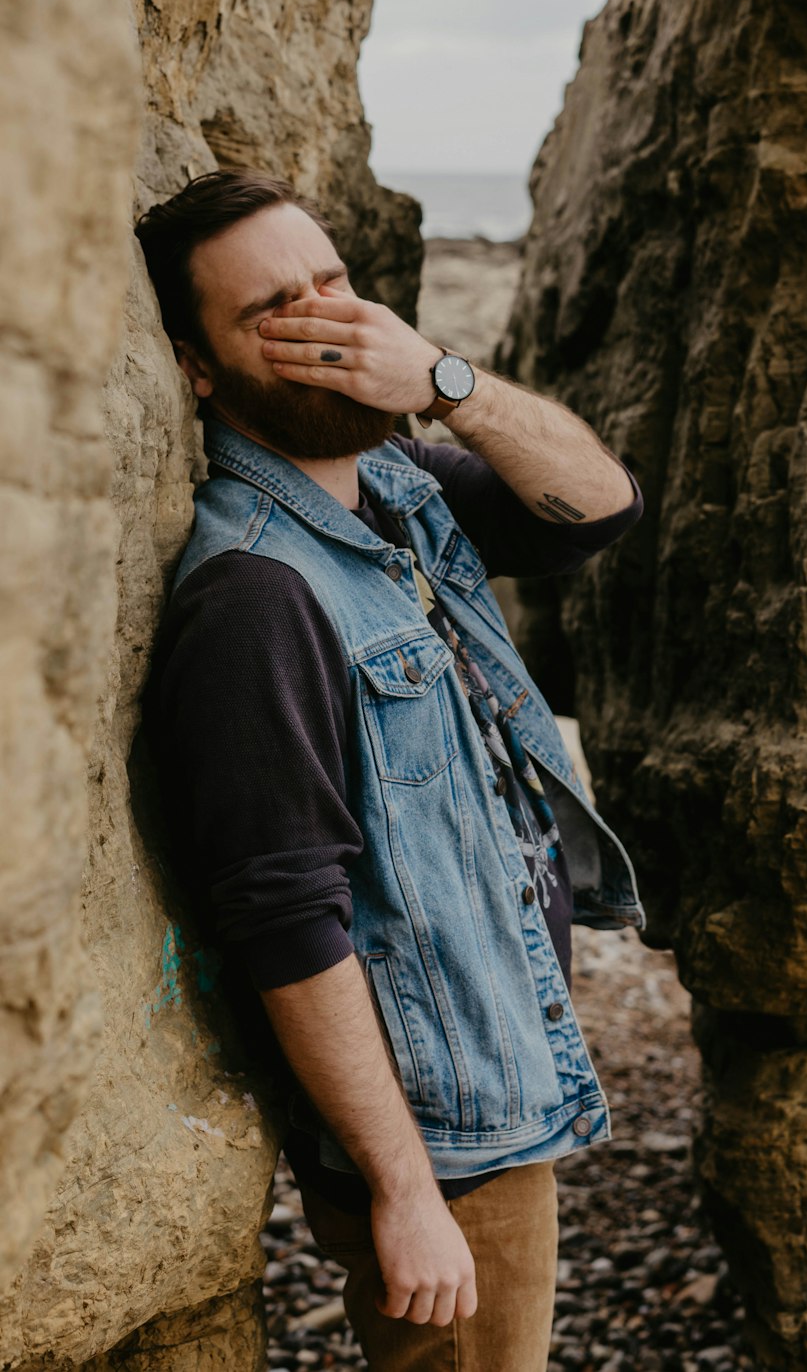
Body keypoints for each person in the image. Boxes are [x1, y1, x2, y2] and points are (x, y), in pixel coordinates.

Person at [138, 169, 644, 1371]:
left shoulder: (402, 490)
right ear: (196, 367)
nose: (326, 324)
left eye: (336, 285)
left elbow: (599, 509)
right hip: (443, 1139)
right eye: (274, 310)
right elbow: (285, 921)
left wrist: (443, 383)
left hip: (493, 1074)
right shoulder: (255, 594)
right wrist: (404, 1189)